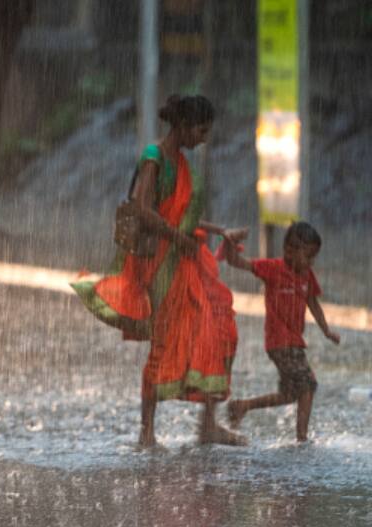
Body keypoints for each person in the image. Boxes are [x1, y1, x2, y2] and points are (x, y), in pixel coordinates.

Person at [72, 94, 248, 447]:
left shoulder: (183, 164)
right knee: (165, 340)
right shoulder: (154, 158)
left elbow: (184, 218)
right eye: (201, 129)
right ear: (182, 126)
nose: (204, 137)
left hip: (185, 260)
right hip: (159, 264)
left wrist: (218, 232)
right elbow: (142, 209)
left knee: (218, 327)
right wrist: (177, 239)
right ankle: (146, 433)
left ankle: (207, 426)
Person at [222, 221, 341, 442]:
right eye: (308, 256)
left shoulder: (306, 274)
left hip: (294, 342)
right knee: (308, 385)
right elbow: (238, 262)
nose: (311, 262)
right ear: (289, 250)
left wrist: (326, 330)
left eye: (314, 257)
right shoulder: (274, 268)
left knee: (290, 394)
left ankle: (243, 406)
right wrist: (230, 244)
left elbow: (313, 303)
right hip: (279, 342)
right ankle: (302, 439)